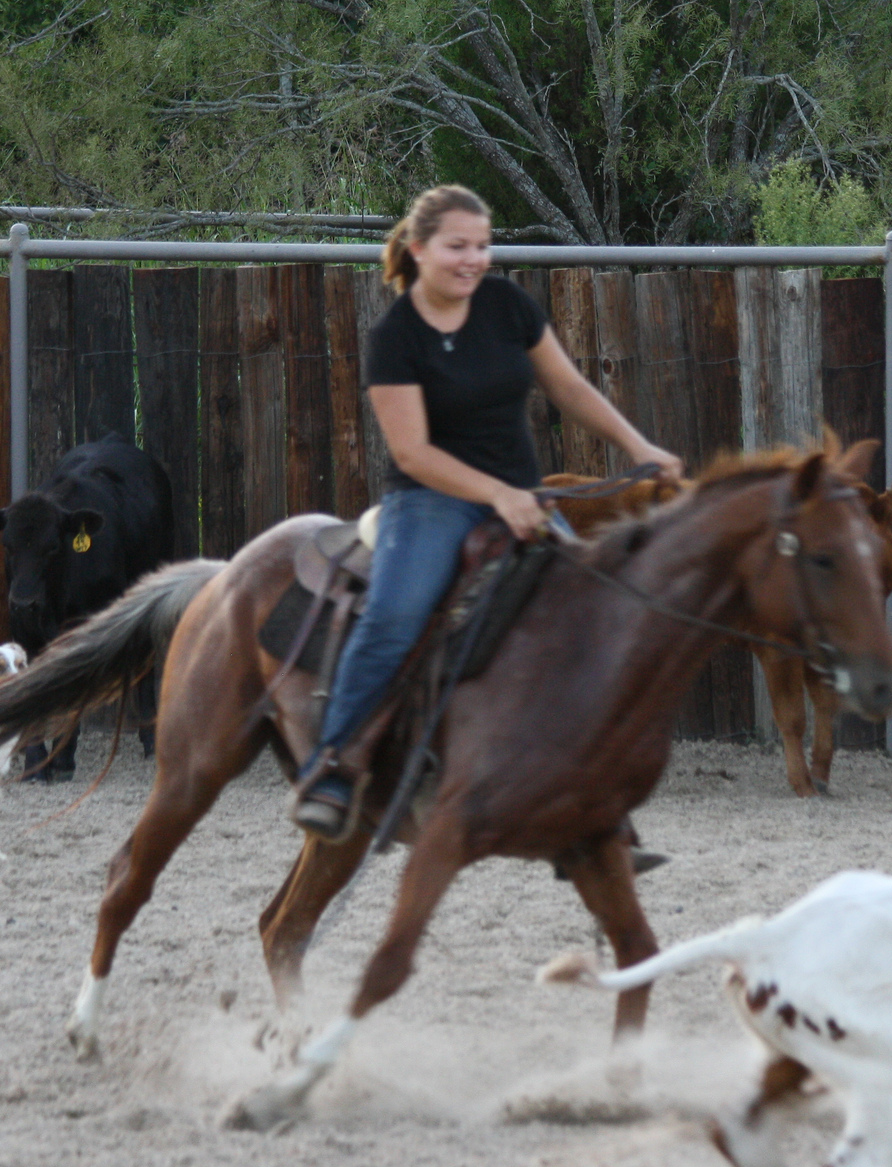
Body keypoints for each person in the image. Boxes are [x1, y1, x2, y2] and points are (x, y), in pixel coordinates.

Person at [291, 184, 684, 839]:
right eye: (457, 247)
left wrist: (637, 445)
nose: (474, 260)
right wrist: (497, 494)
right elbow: (413, 452)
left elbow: (567, 385)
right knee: (394, 617)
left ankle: (585, 786)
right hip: (431, 502)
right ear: (418, 250)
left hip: (520, 497)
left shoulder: (506, 306)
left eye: (483, 246)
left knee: (591, 614)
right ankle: (335, 763)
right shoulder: (395, 337)